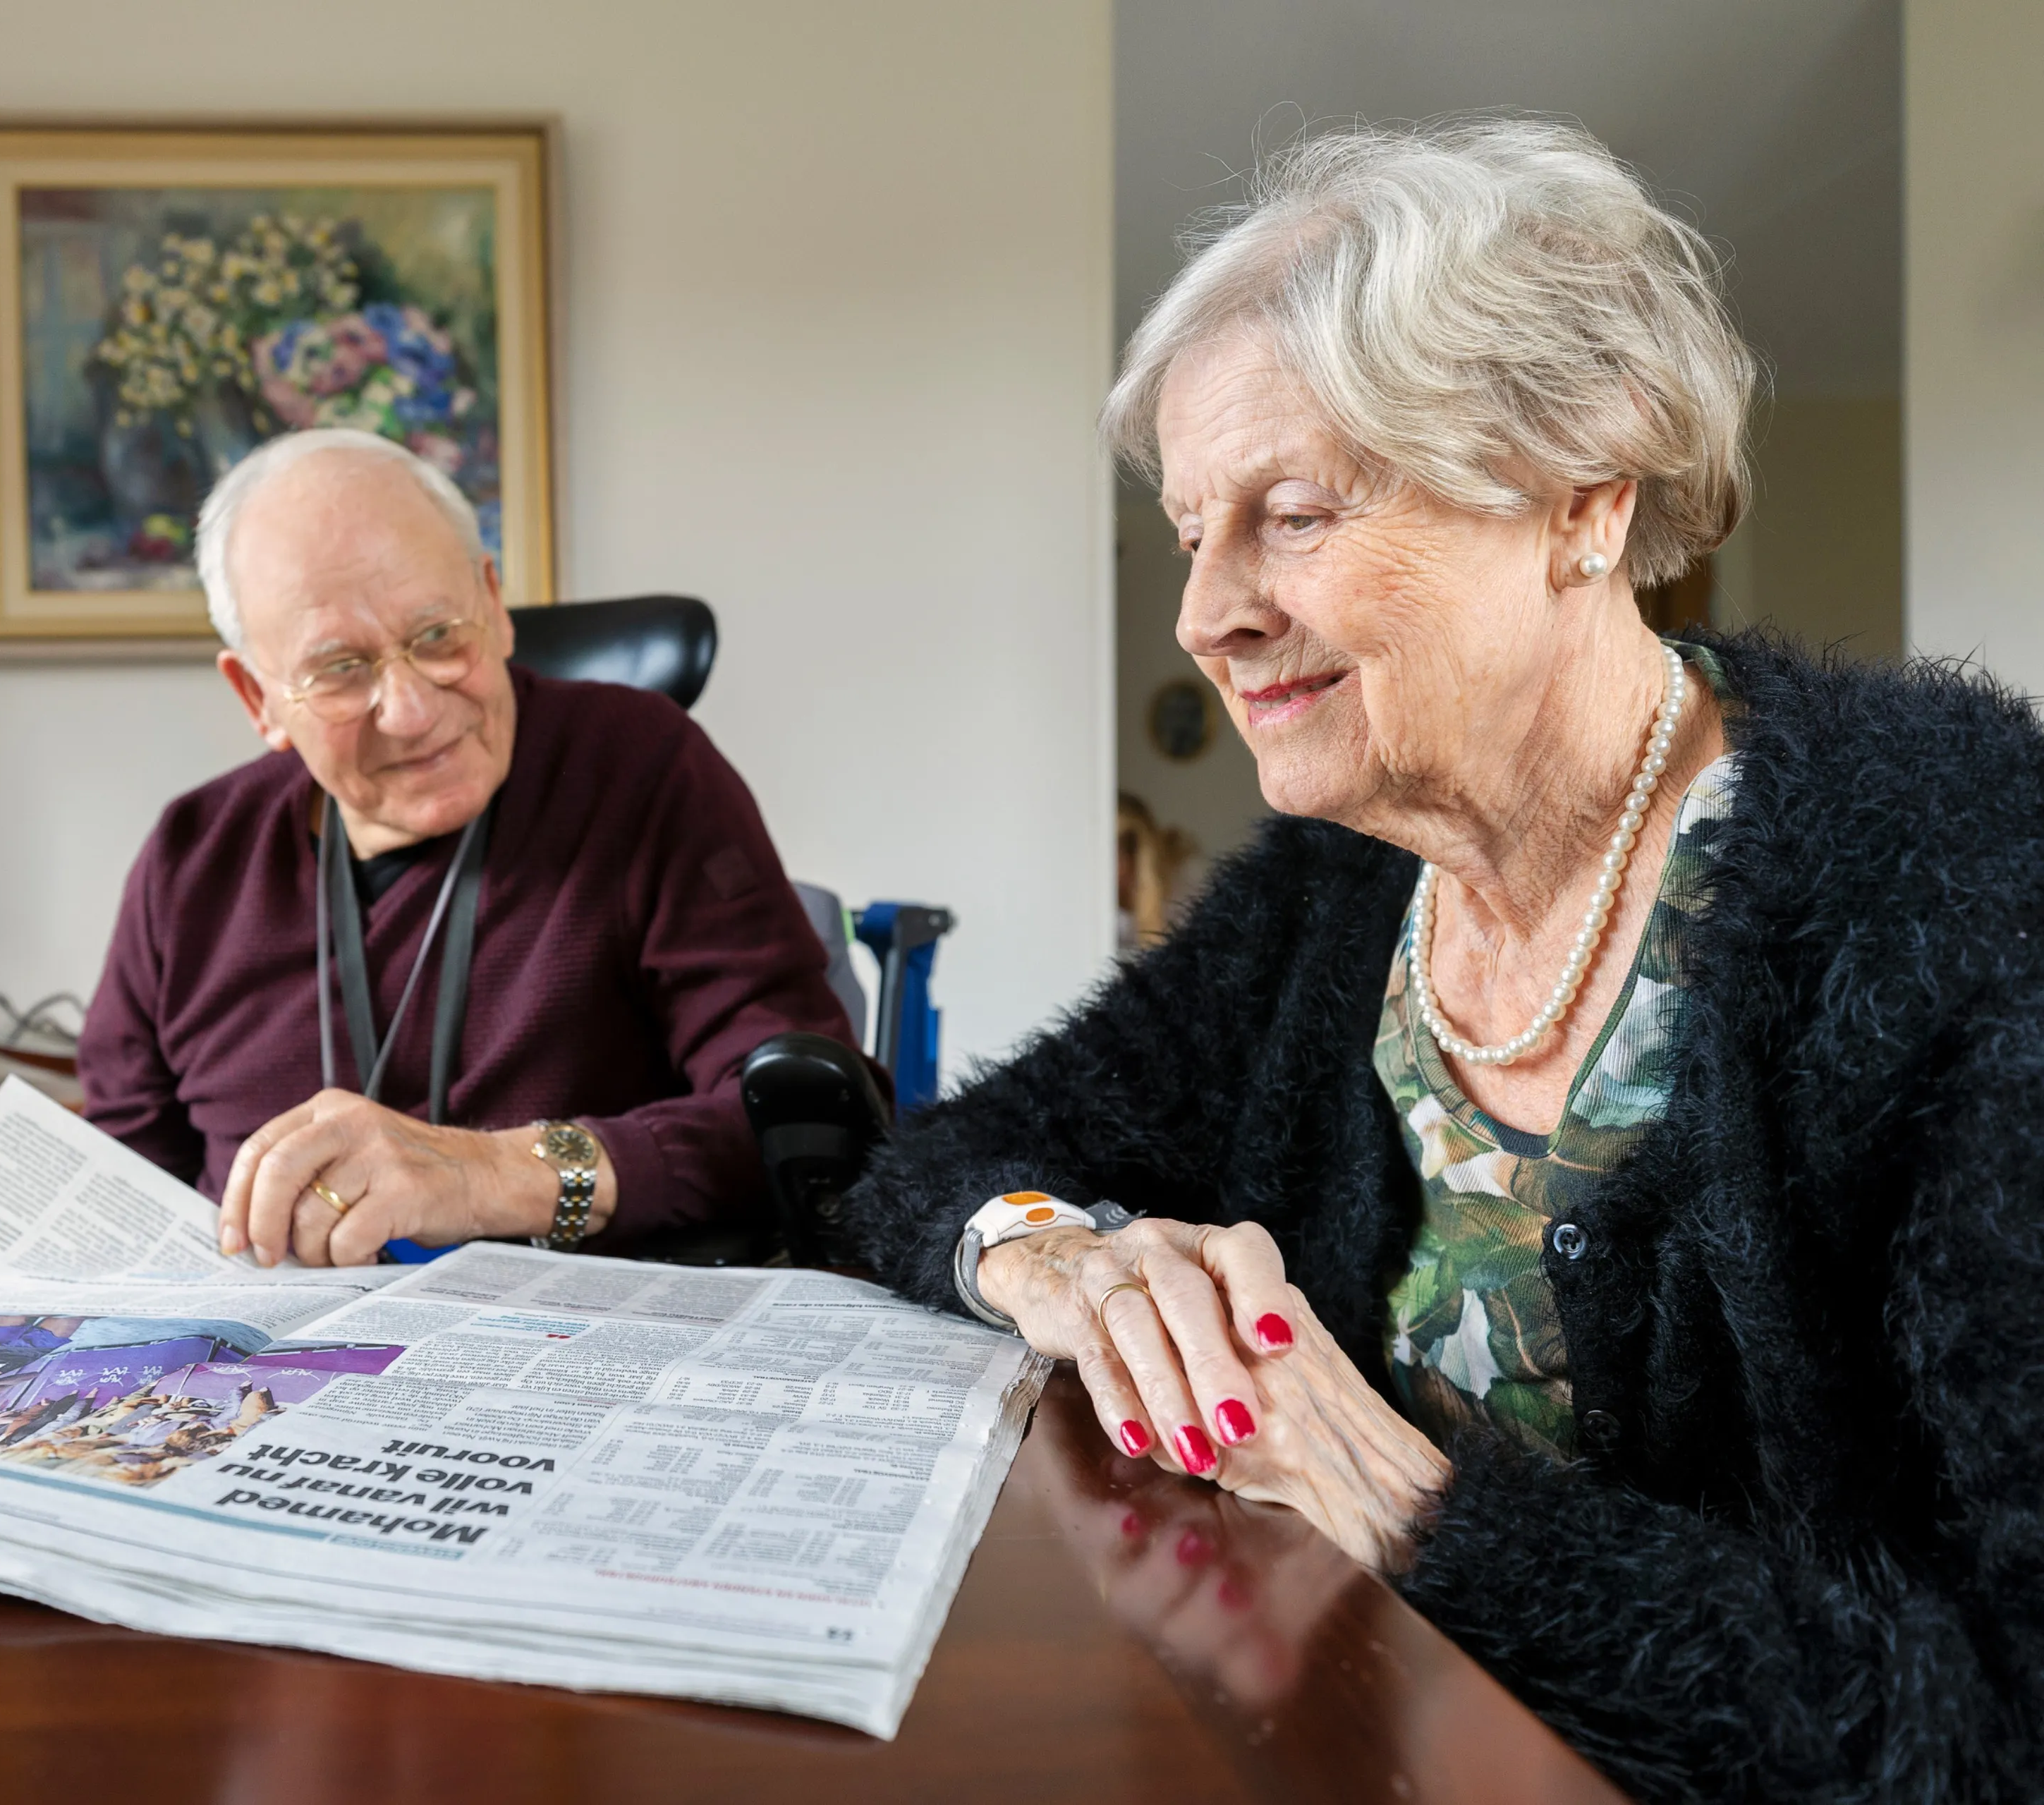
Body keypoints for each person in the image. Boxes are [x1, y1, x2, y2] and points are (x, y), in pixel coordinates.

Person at [840, 118, 2044, 1802]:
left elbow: (1998, 1724)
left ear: (1581, 497)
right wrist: (1054, 1254)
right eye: (1192, 530)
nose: (1203, 612)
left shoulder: (1964, 889)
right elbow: (938, 1161)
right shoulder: (1337, 889)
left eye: (1292, 514)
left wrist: (1409, 1505)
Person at [80, 429, 854, 1268]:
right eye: (340, 669)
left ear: (492, 601)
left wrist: (486, 1177)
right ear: (257, 698)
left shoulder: (642, 769)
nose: (412, 711)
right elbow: (119, 1180)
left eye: (438, 635)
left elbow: (806, 1123)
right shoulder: (190, 857)